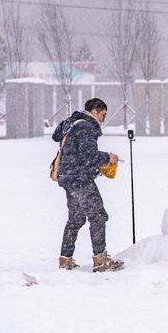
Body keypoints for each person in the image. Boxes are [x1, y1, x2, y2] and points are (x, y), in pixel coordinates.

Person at [52, 98, 124, 272]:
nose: (103, 118)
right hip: (80, 179)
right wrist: (109, 157)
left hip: (68, 178)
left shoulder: (71, 122)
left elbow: (56, 136)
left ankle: (65, 259)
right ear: (94, 111)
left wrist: (68, 123)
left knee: (75, 219)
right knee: (98, 216)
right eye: (103, 114)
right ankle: (100, 259)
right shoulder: (85, 126)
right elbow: (89, 155)